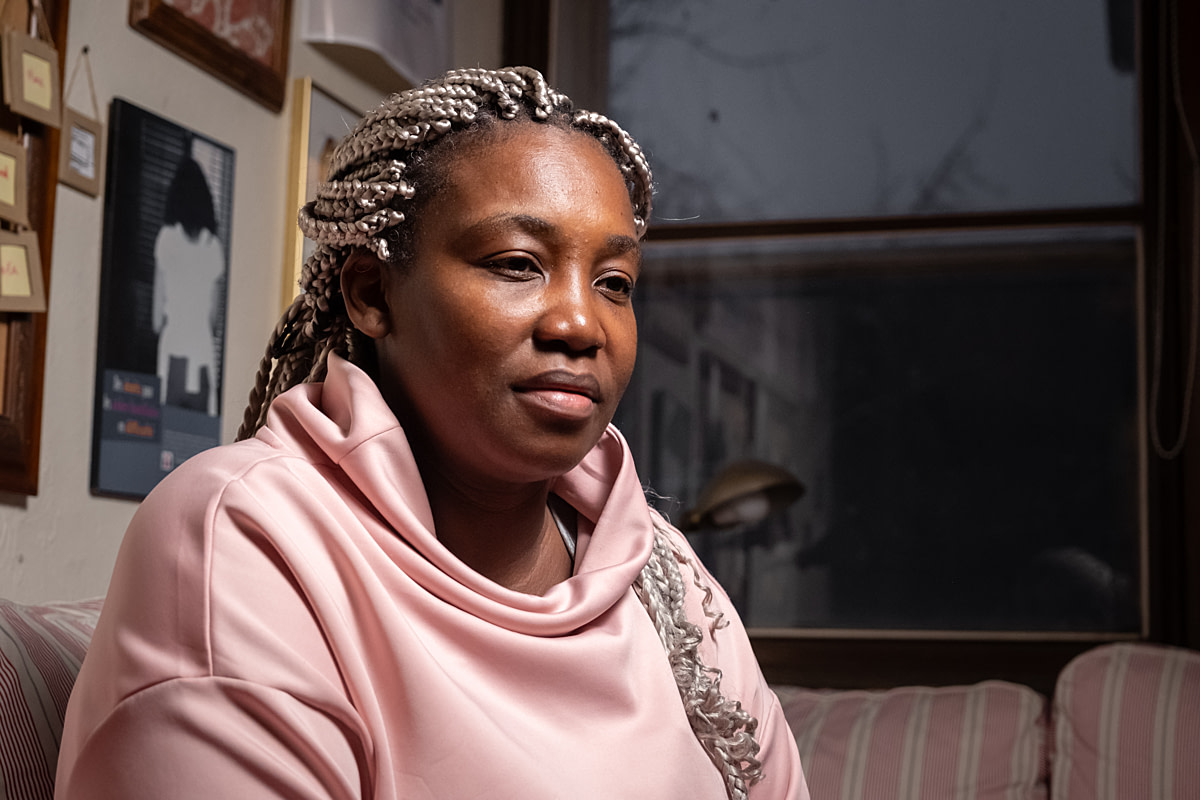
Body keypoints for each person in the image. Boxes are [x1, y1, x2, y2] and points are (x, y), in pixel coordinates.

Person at [56, 67, 809, 800]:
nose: (582, 324)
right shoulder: (248, 541)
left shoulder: (663, 571)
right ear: (371, 293)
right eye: (518, 264)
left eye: (613, 282)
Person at [152, 154, 225, 415]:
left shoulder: (166, 239)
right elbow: (213, 320)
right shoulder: (213, 247)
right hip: (202, 352)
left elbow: (156, 318)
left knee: (167, 435)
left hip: (173, 349)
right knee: (199, 437)